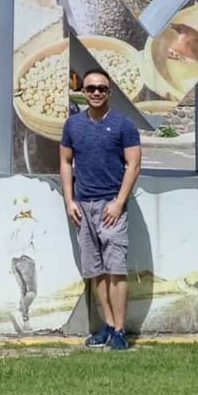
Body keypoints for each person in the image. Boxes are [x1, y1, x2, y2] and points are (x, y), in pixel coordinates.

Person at [60, 67, 141, 351]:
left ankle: (120, 330)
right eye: (91, 88)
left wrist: (118, 203)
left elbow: (134, 165)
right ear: (82, 92)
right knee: (96, 271)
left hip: (111, 206)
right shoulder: (72, 125)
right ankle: (106, 326)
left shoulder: (124, 125)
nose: (96, 93)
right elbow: (66, 163)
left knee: (116, 270)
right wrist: (69, 201)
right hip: (83, 206)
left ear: (110, 92)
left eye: (101, 89)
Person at [8, 194, 38, 332]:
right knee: (32, 292)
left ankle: (25, 323)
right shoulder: (30, 222)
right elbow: (30, 242)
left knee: (23, 293)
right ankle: (19, 312)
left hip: (14, 262)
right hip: (26, 259)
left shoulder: (13, 222)